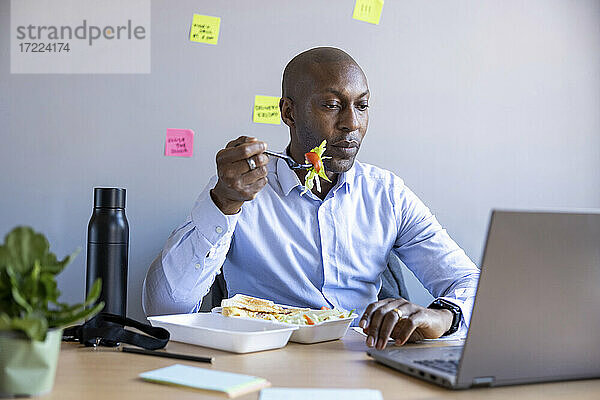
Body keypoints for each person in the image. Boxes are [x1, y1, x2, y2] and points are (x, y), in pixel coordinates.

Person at [143, 47, 480, 350]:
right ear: (289, 112)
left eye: (362, 106)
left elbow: (470, 281)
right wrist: (224, 204)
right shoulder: (242, 189)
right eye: (332, 106)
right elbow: (164, 308)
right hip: (269, 360)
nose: (352, 124)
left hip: (364, 362)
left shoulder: (386, 194)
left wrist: (443, 316)